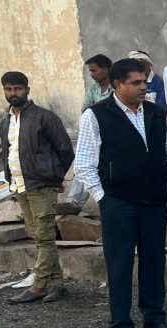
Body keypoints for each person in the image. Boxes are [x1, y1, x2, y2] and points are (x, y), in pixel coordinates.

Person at [74, 58, 167, 328]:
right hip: (118, 202)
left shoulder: (157, 114)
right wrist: (102, 197)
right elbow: (83, 163)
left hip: (154, 201)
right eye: (136, 83)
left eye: (145, 81)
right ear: (118, 84)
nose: (143, 87)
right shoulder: (96, 115)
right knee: (119, 265)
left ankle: (155, 318)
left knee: (155, 260)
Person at [0, 71, 74, 304]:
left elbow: (65, 151)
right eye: (9, 89)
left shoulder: (45, 117)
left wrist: (53, 176)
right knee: (37, 235)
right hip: (20, 185)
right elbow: (8, 152)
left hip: (41, 185)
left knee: (44, 237)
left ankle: (39, 286)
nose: (13, 94)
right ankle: (57, 284)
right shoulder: (6, 120)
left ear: (27, 90)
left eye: (17, 89)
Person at [61, 54, 112, 214]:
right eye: (90, 71)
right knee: (83, 164)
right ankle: (73, 202)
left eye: (94, 70)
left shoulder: (117, 87)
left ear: (106, 69)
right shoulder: (94, 90)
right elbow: (85, 111)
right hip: (95, 134)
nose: (92, 74)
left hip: (111, 135)